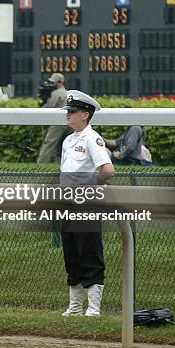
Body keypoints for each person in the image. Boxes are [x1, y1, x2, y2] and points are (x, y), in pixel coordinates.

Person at [59, 90, 115, 317]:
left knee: (89, 253)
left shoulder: (93, 138)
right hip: (67, 203)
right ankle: (74, 307)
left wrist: (90, 185)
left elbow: (108, 170)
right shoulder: (68, 141)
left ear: (85, 114)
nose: (68, 115)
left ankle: (93, 308)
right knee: (71, 253)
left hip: (86, 204)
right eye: (68, 111)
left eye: (72, 112)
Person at [37, 73, 70, 164]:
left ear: (60, 82)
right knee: (61, 146)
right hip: (69, 122)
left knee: (49, 143)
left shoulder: (57, 93)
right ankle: (60, 163)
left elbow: (48, 108)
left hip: (58, 122)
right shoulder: (67, 92)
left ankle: (41, 163)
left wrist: (42, 103)